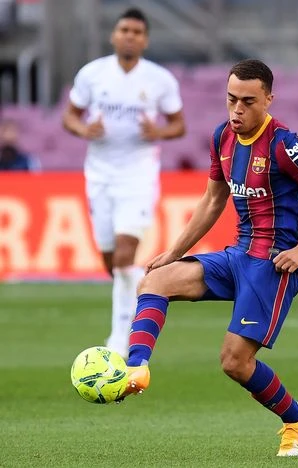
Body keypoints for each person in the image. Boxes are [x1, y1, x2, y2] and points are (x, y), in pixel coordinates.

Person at [119, 59, 298, 457]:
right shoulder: (222, 136)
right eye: (231, 99)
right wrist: (174, 252)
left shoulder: (283, 144)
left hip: (271, 265)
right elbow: (212, 200)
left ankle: (296, 418)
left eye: (248, 101)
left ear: (268, 99)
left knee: (234, 362)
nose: (237, 110)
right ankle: (136, 368)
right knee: (155, 281)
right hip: (237, 255)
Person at [62, 8, 186, 359]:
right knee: (111, 261)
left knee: (124, 254)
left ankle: (119, 338)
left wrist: (158, 132)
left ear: (145, 40)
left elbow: (179, 125)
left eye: (136, 32)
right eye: (124, 30)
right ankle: (132, 307)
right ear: (114, 35)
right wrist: (83, 128)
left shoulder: (159, 80)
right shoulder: (92, 74)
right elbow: (69, 116)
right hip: (99, 175)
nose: (129, 36)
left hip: (138, 176)